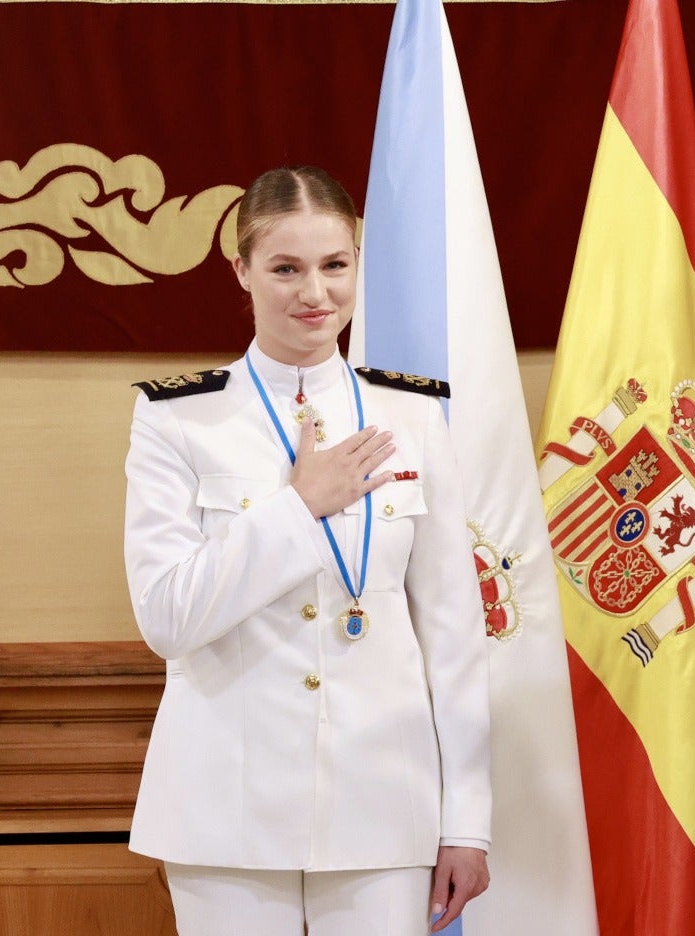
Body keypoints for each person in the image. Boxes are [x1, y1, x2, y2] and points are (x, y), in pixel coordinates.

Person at [123, 165, 491, 935]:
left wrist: (467, 820)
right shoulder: (179, 419)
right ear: (242, 270)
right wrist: (298, 508)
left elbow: (453, 633)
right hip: (224, 803)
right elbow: (167, 618)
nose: (314, 293)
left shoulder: (411, 415)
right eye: (286, 268)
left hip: (383, 797)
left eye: (334, 265)